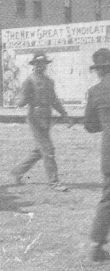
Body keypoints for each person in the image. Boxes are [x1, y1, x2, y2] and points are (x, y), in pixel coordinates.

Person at [11, 52, 72, 191]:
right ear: (34, 65)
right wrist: (20, 101)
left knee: (40, 150)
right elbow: (22, 100)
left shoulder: (49, 81)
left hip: (46, 116)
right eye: (38, 63)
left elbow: (54, 100)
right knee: (48, 149)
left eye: (43, 63)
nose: (41, 65)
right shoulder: (29, 81)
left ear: (46, 65)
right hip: (35, 117)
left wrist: (65, 115)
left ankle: (17, 171)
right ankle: (54, 182)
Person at [84, 48, 110, 262]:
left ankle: (96, 244)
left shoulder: (95, 91)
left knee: (108, 199)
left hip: (108, 152)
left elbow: (90, 126)